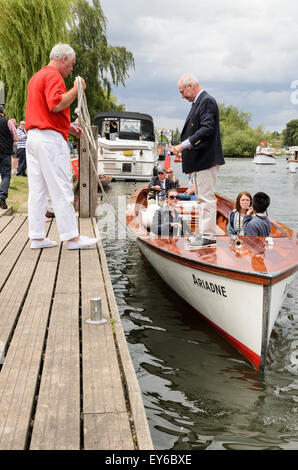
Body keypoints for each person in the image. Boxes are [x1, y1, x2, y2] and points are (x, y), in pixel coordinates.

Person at [25, 42, 98, 250]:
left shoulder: (37, 77)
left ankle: (37, 236)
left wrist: (68, 127)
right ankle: (72, 238)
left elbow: (44, 111)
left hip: (34, 137)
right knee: (62, 187)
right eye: (72, 64)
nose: (71, 69)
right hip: (49, 141)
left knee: (38, 190)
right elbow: (56, 104)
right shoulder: (53, 76)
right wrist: (76, 89)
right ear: (64, 59)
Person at [173, 73, 225, 248]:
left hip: (206, 160)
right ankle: (203, 233)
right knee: (201, 198)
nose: (182, 96)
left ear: (190, 86)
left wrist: (182, 146)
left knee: (206, 198)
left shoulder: (206, 101)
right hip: (201, 159)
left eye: (182, 92)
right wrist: (186, 151)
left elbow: (207, 129)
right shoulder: (200, 102)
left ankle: (208, 236)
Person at [0, 105, 18, 209]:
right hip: (5, 152)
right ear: (4, 112)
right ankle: (2, 197)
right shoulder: (8, 122)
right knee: (6, 174)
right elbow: (16, 138)